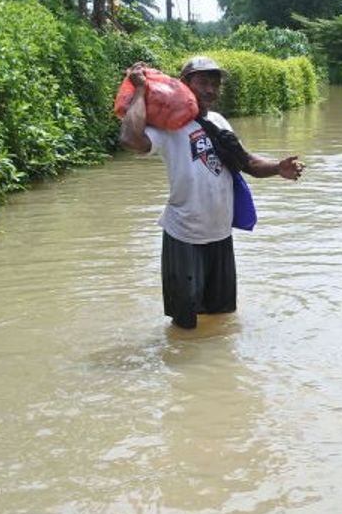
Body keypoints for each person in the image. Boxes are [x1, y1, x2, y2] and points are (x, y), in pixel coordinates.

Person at [119, 57, 305, 329]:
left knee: (222, 319)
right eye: (203, 82)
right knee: (184, 325)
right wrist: (139, 90)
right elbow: (130, 139)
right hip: (184, 235)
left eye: (215, 84)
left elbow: (247, 162)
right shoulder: (169, 125)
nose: (210, 90)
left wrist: (278, 168)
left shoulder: (218, 121)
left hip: (219, 234)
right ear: (184, 85)